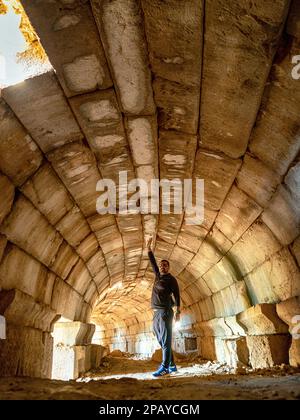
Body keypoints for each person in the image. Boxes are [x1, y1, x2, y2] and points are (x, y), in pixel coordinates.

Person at [147, 237, 181, 377]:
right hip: (156, 313)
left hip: (166, 312)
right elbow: (153, 263)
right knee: (160, 338)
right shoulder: (158, 276)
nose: (162, 266)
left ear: (169, 267)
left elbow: (177, 295)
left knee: (166, 340)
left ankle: (165, 367)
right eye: (161, 265)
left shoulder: (171, 279)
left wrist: (178, 311)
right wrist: (148, 249)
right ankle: (172, 364)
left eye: (165, 265)